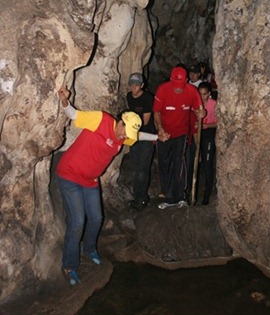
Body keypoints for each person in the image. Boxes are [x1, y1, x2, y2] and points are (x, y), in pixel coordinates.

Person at [56, 86, 142, 285]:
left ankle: (89, 248)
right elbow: (74, 115)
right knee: (78, 222)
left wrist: (158, 137)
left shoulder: (125, 135)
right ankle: (69, 265)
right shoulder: (101, 120)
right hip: (70, 175)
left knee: (96, 218)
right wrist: (64, 100)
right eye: (125, 132)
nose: (125, 137)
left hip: (90, 180)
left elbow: (138, 137)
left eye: (129, 135)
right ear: (121, 123)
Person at [153, 66, 205, 209]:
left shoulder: (192, 91)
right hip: (165, 134)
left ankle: (181, 196)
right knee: (164, 163)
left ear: (187, 81)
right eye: (175, 86)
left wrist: (201, 113)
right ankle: (169, 197)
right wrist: (160, 129)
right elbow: (156, 112)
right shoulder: (162, 90)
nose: (177, 90)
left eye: (180, 87)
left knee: (178, 162)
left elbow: (198, 109)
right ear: (170, 80)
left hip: (181, 133)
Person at [126, 72, 156, 211]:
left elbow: (146, 120)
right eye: (132, 85)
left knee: (142, 169)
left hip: (146, 135)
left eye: (137, 85)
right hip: (134, 136)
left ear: (142, 85)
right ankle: (137, 196)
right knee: (135, 167)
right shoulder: (129, 97)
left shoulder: (147, 98)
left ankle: (142, 198)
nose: (134, 88)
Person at [197, 81, 217, 205]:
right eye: (200, 94)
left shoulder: (214, 104)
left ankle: (207, 195)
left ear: (209, 94)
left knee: (207, 164)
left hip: (209, 135)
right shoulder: (195, 104)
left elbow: (219, 122)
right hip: (198, 135)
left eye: (205, 94)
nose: (202, 97)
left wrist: (206, 125)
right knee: (198, 162)